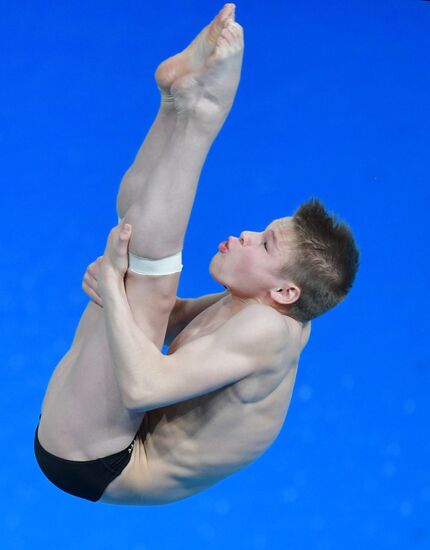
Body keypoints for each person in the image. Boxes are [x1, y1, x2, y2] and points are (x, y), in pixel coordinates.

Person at [34, 3, 360, 505]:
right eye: (263, 229)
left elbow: (143, 388)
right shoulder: (275, 305)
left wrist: (115, 293)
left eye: (265, 243)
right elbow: (167, 320)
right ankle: (180, 105)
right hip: (95, 432)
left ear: (285, 290)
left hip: (96, 461)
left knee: (142, 282)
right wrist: (115, 290)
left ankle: (199, 112)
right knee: (142, 283)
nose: (247, 234)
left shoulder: (268, 329)